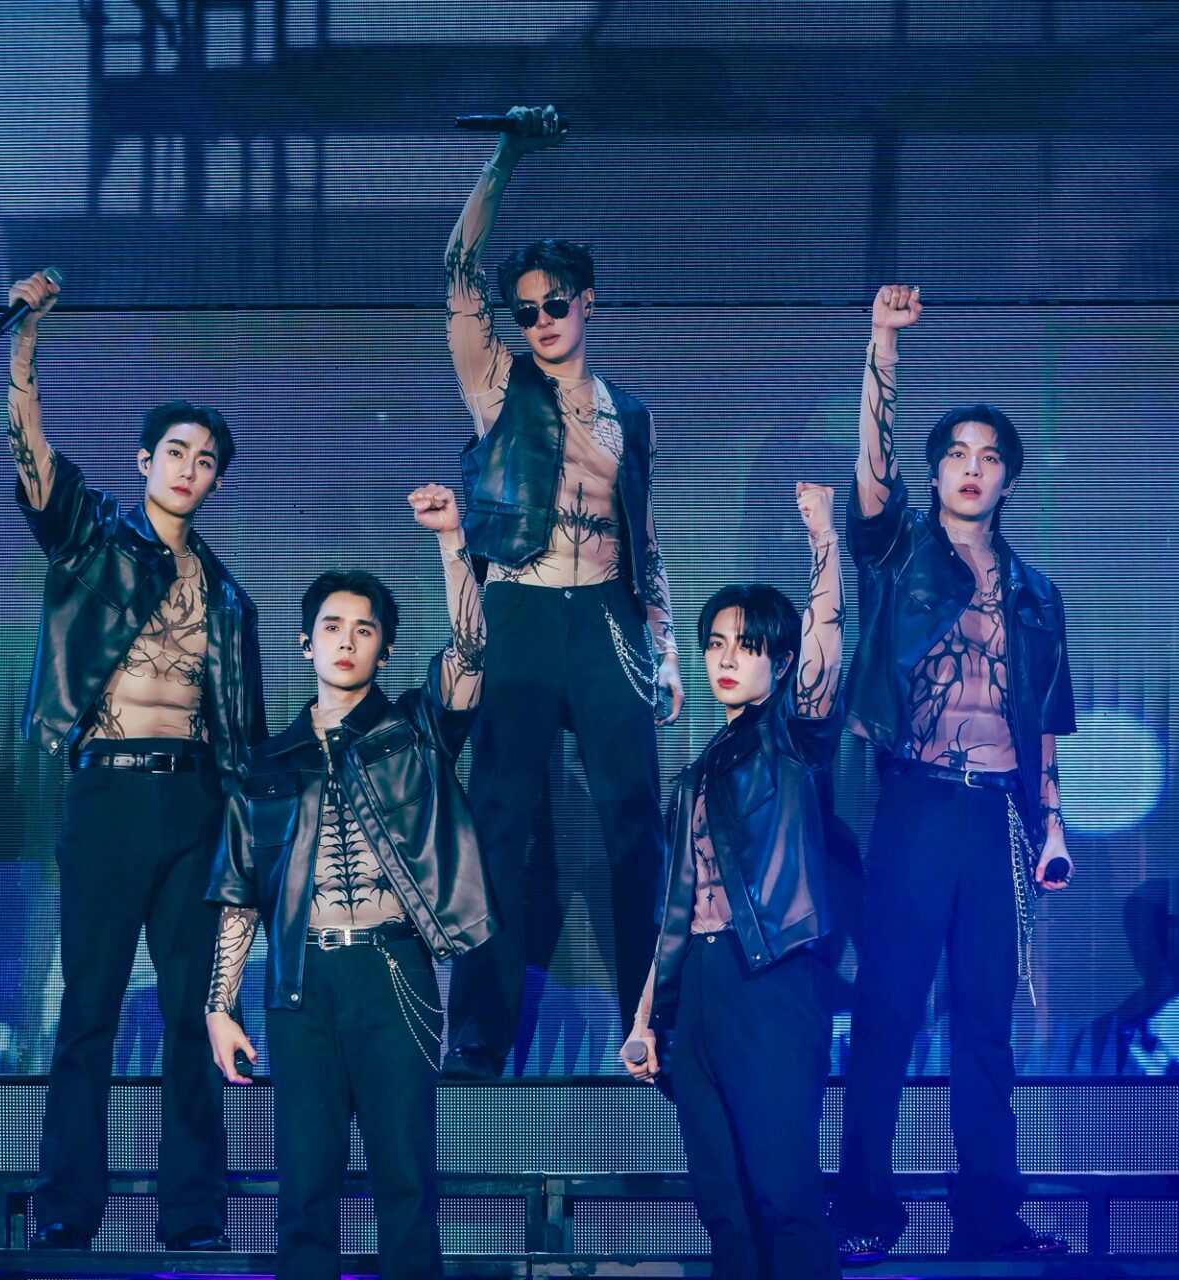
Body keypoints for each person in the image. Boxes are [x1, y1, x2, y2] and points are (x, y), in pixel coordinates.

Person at [2, 271, 265, 1253]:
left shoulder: (229, 599)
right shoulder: (90, 538)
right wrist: (27, 339)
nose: (190, 469)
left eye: (207, 460)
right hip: (108, 793)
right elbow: (30, 451)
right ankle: (66, 1210)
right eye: (177, 452)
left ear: (217, 481)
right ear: (145, 460)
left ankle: (194, 1214)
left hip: (194, 807)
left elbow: (244, 739)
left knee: (199, 1016)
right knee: (90, 1013)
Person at [832, 286, 1077, 1261]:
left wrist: (1051, 822)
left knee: (986, 1022)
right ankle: (864, 1209)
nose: (972, 469)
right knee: (889, 1010)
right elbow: (871, 467)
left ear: (1009, 477)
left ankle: (989, 1215)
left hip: (999, 817)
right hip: (919, 803)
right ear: (936, 471)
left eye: (989, 456)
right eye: (957, 454)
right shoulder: (898, 552)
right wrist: (882, 345)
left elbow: (1045, 722)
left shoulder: (1038, 594)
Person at [440, 104, 681, 1077]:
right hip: (525, 605)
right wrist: (503, 160)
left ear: (587, 304)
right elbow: (457, 274)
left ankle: (652, 1023)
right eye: (527, 309)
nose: (540, 320)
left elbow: (645, 540)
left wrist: (666, 647)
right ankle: (478, 1034)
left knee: (636, 826)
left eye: (555, 304)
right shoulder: (499, 388)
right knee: (501, 822)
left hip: (609, 614)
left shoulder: (631, 414)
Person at [204, 484, 494, 1280]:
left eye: (365, 630)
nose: (347, 640)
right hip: (301, 984)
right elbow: (240, 894)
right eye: (332, 626)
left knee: (406, 1181)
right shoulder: (268, 765)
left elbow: (471, 653)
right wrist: (219, 1007)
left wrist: (452, 542)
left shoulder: (415, 729)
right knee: (304, 1189)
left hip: (393, 971)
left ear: (383, 651)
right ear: (306, 644)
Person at [624, 483, 847, 1280]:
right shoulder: (695, 774)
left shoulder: (792, 738)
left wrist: (824, 539)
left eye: (746, 646)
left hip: (773, 977)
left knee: (785, 1194)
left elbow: (825, 645)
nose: (724, 658)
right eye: (716, 643)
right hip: (701, 990)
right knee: (723, 1205)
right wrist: (647, 1018)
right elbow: (676, 908)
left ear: (778, 662)